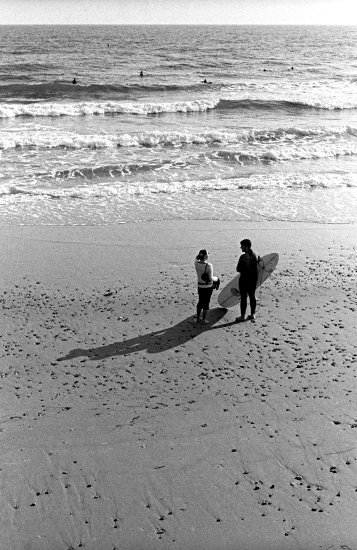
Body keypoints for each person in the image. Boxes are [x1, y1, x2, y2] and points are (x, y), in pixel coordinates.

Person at [236, 239, 260, 322]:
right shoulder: (256, 254)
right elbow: (260, 265)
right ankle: (253, 314)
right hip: (254, 279)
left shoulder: (243, 257)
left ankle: (242, 316)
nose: (240, 248)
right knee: (252, 296)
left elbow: (238, 269)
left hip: (244, 280)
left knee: (243, 298)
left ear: (246, 247)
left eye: (242, 246)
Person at [194, 249, 214, 324]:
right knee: (206, 303)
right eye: (207, 254)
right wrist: (217, 279)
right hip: (208, 287)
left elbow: (196, 259)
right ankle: (204, 320)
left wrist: (200, 255)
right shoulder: (209, 265)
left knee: (200, 301)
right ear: (206, 256)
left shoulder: (196, 264)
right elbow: (211, 278)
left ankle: (198, 318)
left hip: (200, 286)